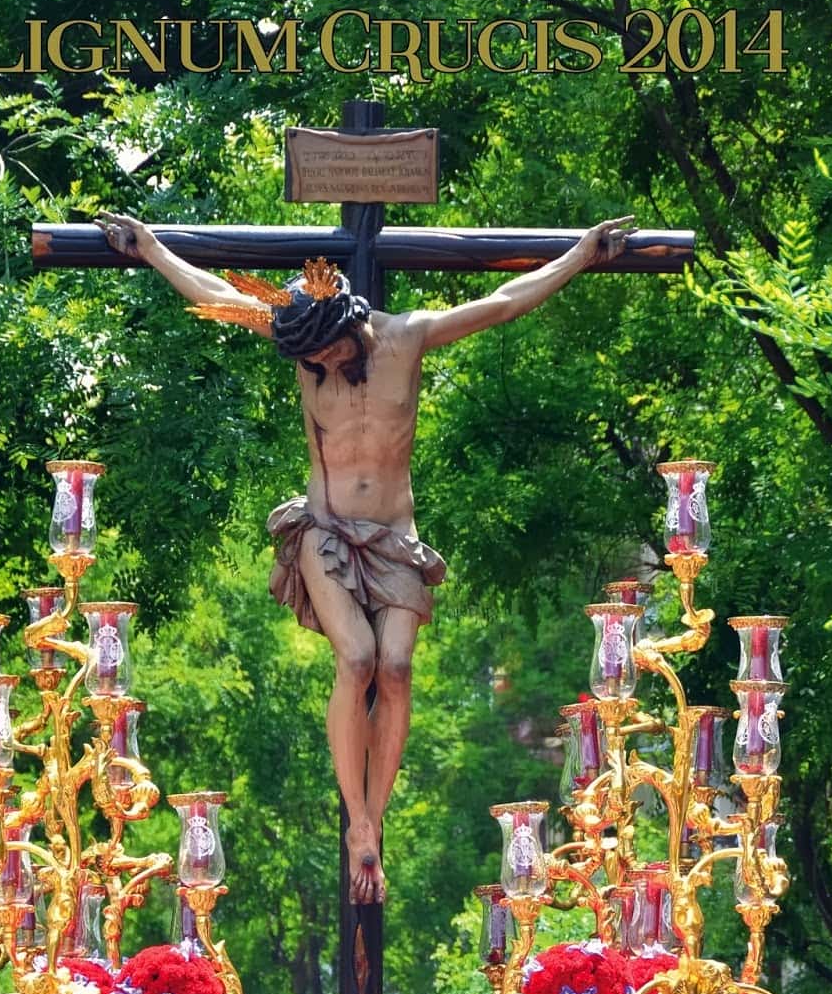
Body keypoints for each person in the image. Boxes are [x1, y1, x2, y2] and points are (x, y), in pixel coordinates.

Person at [96, 210, 636, 902]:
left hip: (393, 536)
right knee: (355, 659)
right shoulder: (302, 338)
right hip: (323, 531)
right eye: (309, 364)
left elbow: (500, 302)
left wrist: (580, 253)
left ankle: (372, 819)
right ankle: (359, 824)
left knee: (397, 665)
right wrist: (148, 248)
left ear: (347, 328)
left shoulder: (406, 338)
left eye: (326, 358)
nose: (318, 369)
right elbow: (217, 293)